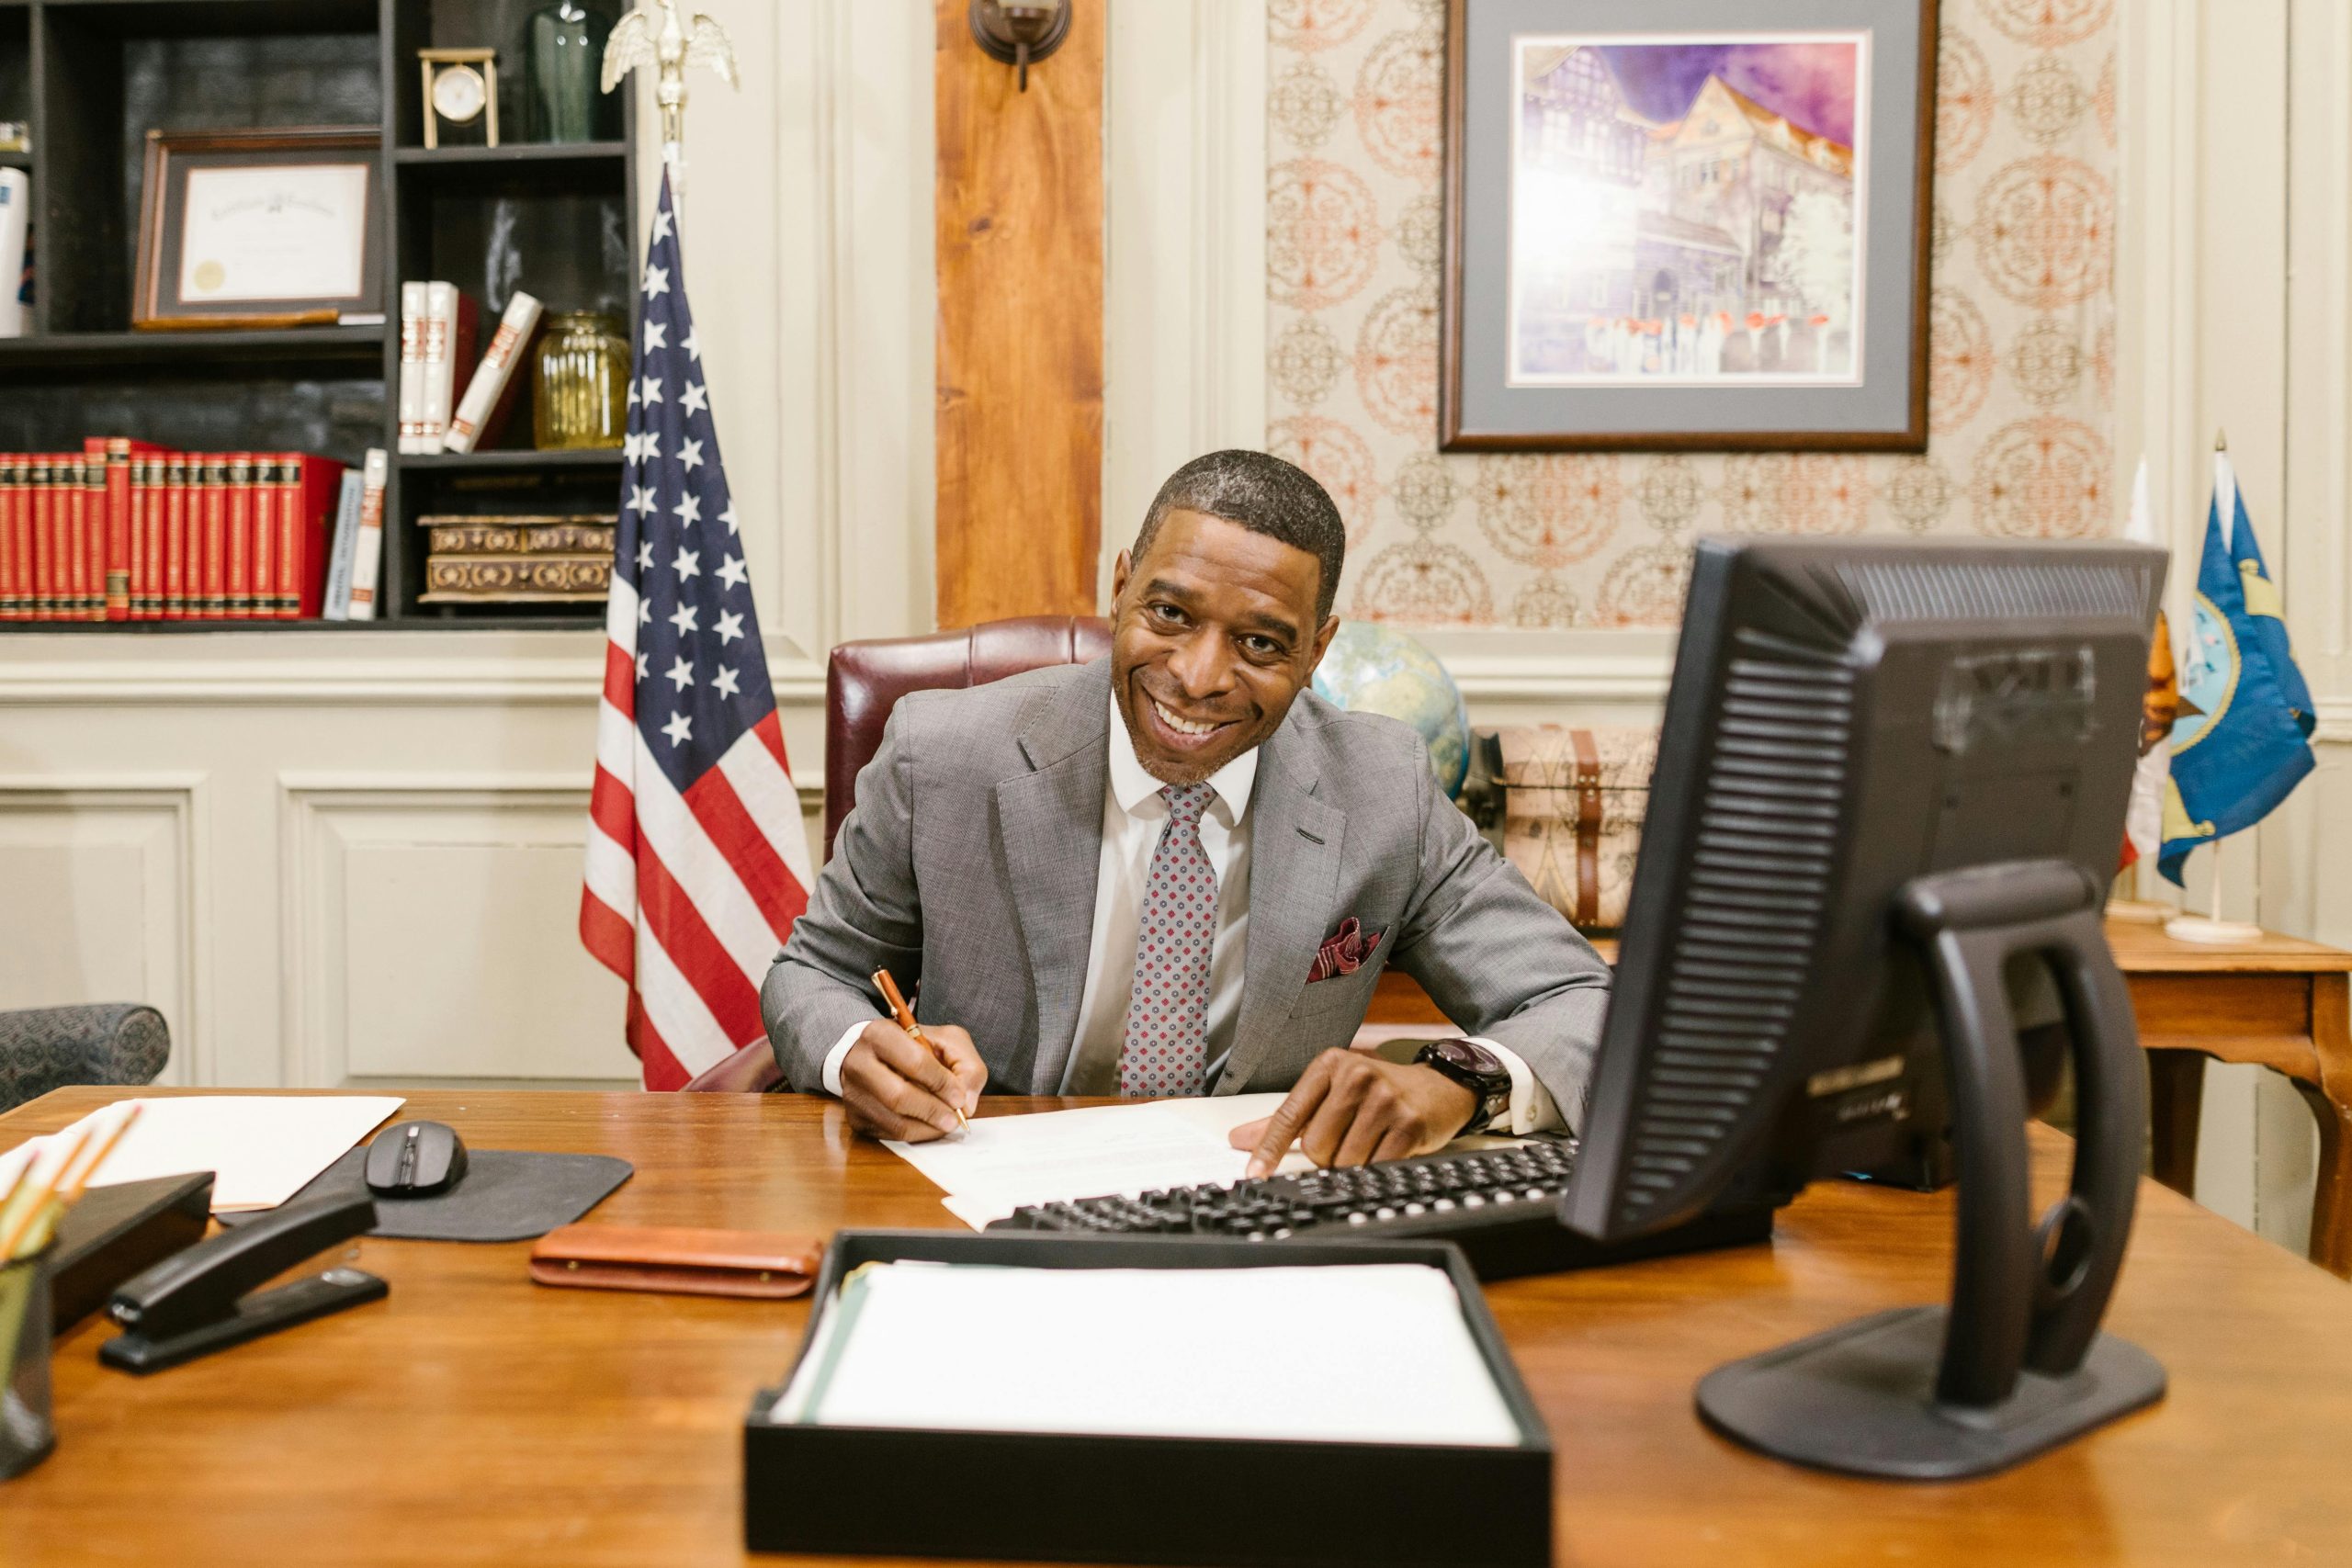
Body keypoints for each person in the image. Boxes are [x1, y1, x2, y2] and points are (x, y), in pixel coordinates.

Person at [762, 449, 1611, 1175]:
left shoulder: (1383, 789)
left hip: (1252, 1198)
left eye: (1261, 642)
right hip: (987, 1190)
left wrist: (1460, 1076)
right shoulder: (941, 754)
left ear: (1316, 651)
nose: (1200, 677)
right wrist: (851, 1052)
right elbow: (814, 975)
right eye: (1170, 614)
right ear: (1123, 586)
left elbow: (1585, 1001)